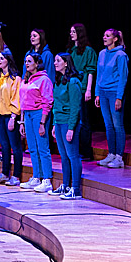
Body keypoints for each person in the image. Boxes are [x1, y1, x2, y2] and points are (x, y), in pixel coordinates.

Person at [18, 52, 54, 192]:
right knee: (32, 147)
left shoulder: (44, 79)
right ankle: (36, 176)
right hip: (27, 115)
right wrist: (21, 121)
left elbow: (47, 101)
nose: (26, 63)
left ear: (37, 63)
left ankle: (47, 180)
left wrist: (42, 123)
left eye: (29, 61)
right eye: (25, 61)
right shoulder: (26, 79)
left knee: (42, 147)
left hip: (39, 114)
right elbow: (22, 101)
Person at [95, 28, 129, 168]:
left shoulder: (121, 55)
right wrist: (97, 93)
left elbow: (123, 77)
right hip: (103, 92)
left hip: (114, 93)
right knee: (108, 125)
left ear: (115, 39)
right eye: (104, 35)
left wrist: (119, 97)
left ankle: (119, 157)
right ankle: (111, 154)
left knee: (117, 125)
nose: (104, 37)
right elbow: (99, 74)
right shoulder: (102, 53)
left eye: (107, 36)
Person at [0, 50, 23, 187]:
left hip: (10, 115)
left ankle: (16, 175)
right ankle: (4, 173)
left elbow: (16, 98)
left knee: (15, 146)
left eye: (1, 58)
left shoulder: (15, 79)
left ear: (8, 60)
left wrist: (13, 117)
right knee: (4, 145)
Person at [51, 53, 83, 199]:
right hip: (59, 122)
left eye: (58, 61)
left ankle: (75, 189)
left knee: (73, 155)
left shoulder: (73, 82)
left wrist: (71, 128)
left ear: (66, 63)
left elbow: (75, 107)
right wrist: (54, 125)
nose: (55, 63)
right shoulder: (58, 81)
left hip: (69, 123)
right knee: (63, 156)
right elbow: (56, 105)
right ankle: (65, 185)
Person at [66, 24, 97, 160]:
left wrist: (88, 90)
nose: (71, 33)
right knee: (74, 120)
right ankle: (75, 150)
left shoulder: (88, 51)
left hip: (83, 88)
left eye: (74, 31)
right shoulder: (71, 50)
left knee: (84, 121)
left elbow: (90, 71)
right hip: (73, 88)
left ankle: (86, 152)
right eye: (71, 31)